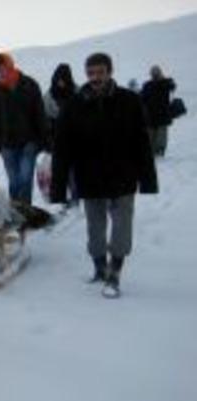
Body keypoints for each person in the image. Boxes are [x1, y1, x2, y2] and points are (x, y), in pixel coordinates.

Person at [51, 52, 158, 299]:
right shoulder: (74, 105)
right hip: (90, 176)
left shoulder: (129, 101)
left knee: (122, 225)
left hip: (123, 174)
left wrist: (148, 179)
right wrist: (59, 187)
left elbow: (141, 142)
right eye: (91, 73)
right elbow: (62, 148)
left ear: (110, 72)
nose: (95, 78)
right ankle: (99, 267)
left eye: (100, 72)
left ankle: (114, 273)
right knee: (95, 227)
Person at [0, 52, 48, 204]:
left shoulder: (29, 84)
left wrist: (44, 139)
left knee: (25, 178)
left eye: (2, 68)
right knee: (14, 181)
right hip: (6, 144)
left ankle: (26, 211)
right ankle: (16, 210)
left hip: (29, 141)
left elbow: (40, 113)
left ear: (10, 65)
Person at [42, 63, 78, 206]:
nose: (61, 82)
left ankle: (75, 199)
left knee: (74, 173)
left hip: (75, 140)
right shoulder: (48, 96)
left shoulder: (78, 92)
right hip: (57, 140)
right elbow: (44, 120)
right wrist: (47, 141)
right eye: (59, 79)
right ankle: (59, 202)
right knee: (59, 173)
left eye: (64, 79)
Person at [141, 65, 177, 157]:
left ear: (160, 73)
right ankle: (151, 151)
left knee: (161, 134)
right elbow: (142, 98)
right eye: (153, 73)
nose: (155, 75)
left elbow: (172, 86)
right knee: (150, 135)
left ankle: (160, 150)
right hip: (150, 115)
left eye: (157, 73)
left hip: (162, 114)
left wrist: (168, 80)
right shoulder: (147, 85)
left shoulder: (165, 83)